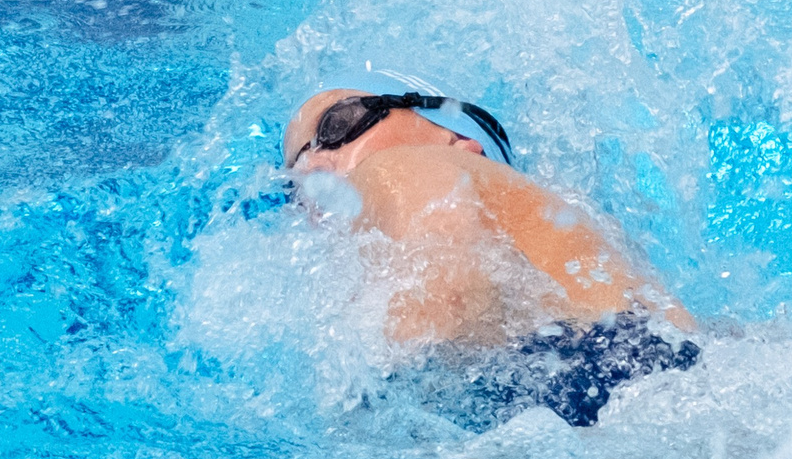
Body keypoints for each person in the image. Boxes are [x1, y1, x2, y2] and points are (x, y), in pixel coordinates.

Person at [282, 87, 699, 428]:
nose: (312, 164)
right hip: (642, 383)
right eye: (292, 177)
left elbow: (452, 300)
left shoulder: (400, 165)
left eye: (338, 124)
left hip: (582, 383)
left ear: (461, 140)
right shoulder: (564, 240)